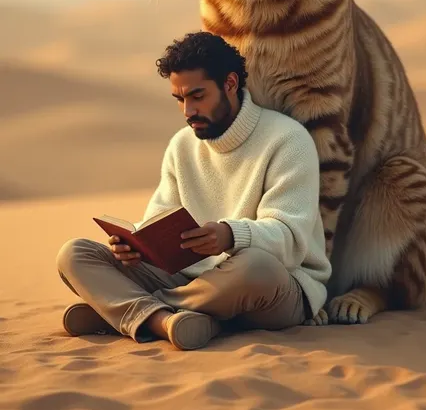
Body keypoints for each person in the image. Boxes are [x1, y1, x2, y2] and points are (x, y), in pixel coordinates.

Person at [57, 31, 331, 350]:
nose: (188, 111)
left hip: (273, 287)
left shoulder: (287, 140)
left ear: (230, 84)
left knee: (256, 267)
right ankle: (170, 321)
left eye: (197, 96)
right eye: (180, 99)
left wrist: (230, 236)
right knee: (75, 254)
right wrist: (135, 251)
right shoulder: (182, 146)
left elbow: (291, 239)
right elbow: (159, 223)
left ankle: (127, 311)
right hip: (190, 281)